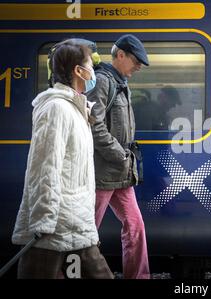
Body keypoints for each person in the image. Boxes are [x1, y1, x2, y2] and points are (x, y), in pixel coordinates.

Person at [11, 41, 113, 279]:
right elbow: (44, 167)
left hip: (75, 221)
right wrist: (42, 222)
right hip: (55, 226)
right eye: (90, 66)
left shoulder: (77, 109)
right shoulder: (57, 108)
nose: (94, 73)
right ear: (79, 71)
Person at [86, 34, 150, 279]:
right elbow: (95, 126)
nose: (138, 67)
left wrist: (124, 160)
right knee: (86, 232)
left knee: (135, 227)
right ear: (120, 55)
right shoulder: (103, 81)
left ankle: (139, 276)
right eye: (135, 61)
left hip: (121, 173)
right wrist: (120, 155)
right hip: (103, 172)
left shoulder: (121, 82)